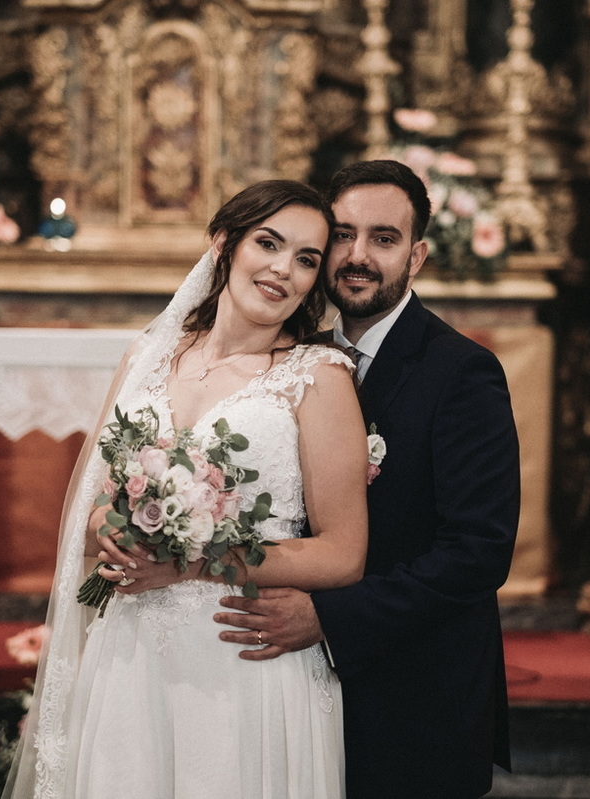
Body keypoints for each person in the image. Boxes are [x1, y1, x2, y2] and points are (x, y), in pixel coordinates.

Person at [2, 179, 369, 799]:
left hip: (241, 654)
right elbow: (94, 505)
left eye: (306, 259)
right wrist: (113, 530)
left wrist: (193, 563)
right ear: (224, 243)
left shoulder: (318, 377)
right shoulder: (146, 356)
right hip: (130, 652)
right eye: (268, 244)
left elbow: (343, 554)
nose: (284, 269)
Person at [213, 160, 521, 799]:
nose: (358, 256)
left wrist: (330, 618)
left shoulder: (461, 371)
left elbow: (478, 551)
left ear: (416, 256)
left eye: (384, 238)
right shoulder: (292, 361)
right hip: (292, 688)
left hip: (416, 694)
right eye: (343, 235)